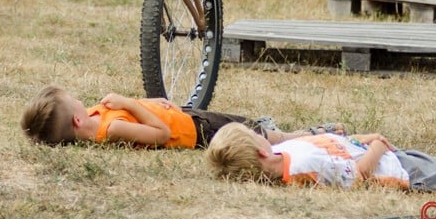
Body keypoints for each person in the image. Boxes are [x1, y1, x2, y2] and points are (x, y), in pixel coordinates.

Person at [206, 122, 436, 191]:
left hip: (390, 157)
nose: (260, 132)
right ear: (259, 150)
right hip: (397, 171)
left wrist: (361, 138)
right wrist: (377, 146)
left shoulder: (284, 151)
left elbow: (327, 142)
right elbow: (353, 176)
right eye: (255, 134)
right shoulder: (299, 169)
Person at [20, 84, 345, 149]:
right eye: (73, 100)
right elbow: (160, 134)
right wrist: (130, 103)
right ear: (76, 121)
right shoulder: (111, 129)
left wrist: (148, 101)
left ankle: (296, 133)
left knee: (253, 126)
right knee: (263, 138)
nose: (79, 100)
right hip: (196, 131)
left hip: (185, 116)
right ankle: (317, 136)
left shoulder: (93, 118)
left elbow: (139, 110)